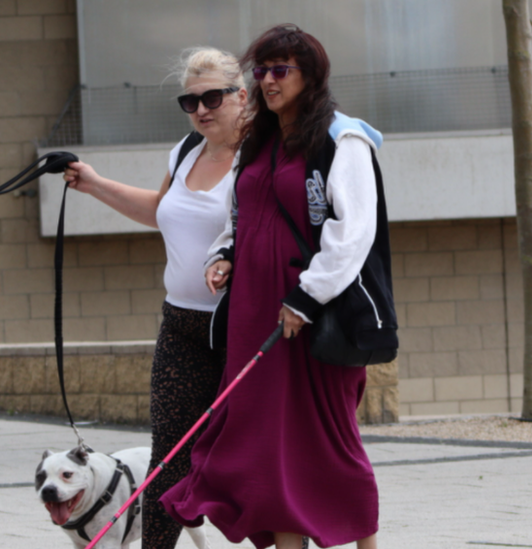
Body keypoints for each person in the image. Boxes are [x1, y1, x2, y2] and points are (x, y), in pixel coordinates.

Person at [160, 25, 397, 549]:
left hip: (311, 317)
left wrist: (308, 295)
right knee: (270, 448)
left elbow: (353, 231)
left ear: (309, 75)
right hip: (254, 314)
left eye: (281, 69)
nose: (268, 80)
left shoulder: (342, 138)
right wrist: (224, 254)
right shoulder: (259, 141)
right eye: (261, 70)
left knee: (327, 442)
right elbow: (241, 214)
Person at [62, 47, 248, 549]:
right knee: (167, 458)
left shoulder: (260, 156)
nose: (202, 109)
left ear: (242, 96)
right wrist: (95, 184)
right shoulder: (186, 149)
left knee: (248, 459)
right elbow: (162, 210)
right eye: (190, 100)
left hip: (240, 328)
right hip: (182, 326)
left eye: (213, 96)